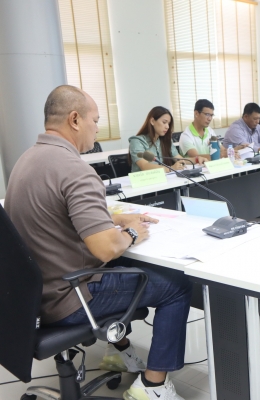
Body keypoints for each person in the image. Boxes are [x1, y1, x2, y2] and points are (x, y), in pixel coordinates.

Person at [5, 85, 192, 400]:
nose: (96, 128)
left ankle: (120, 352)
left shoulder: (27, 160)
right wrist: (133, 232)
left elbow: (55, 214)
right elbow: (105, 248)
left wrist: (114, 218)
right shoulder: (76, 169)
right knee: (176, 286)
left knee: (125, 266)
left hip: (31, 299)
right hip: (70, 297)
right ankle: (154, 387)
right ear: (75, 119)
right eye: (95, 120)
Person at [129, 106, 200, 173]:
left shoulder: (166, 141)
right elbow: (144, 166)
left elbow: (179, 159)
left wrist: (197, 159)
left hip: (162, 179)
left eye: (168, 123)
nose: (167, 127)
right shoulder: (137, 141)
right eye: (164, 122)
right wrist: (170, 168)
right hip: (143, 180)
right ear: (152, 121)